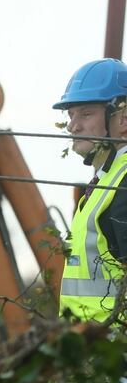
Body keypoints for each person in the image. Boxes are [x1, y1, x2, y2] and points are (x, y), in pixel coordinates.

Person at [55, 58, 127, 322]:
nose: (73, 126)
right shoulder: (105, 181)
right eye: (71, 115)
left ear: (123, 119)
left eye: (85, 114)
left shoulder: (123, 182)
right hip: (93, 353)